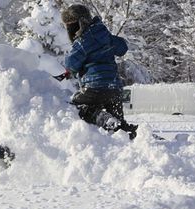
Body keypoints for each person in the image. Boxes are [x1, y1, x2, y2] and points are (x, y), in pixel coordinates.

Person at [59, 4, 138, 139]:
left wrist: (71, 70)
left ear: (80, 23)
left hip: (94, 88)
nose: (70, 30)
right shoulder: (105, 35)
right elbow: (122, 48)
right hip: (114, 88)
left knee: (75, 108)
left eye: (71, 25)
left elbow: (71, 64)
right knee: (118, 125)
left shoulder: (82, 42)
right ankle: (130, 132)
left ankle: (106, 120)